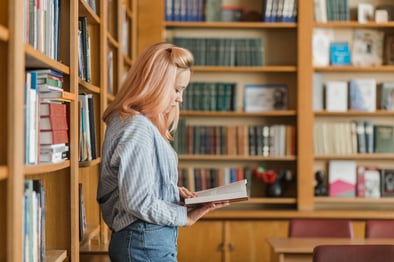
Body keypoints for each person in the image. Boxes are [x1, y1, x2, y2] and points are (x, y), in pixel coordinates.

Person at [97, 42, 229, 262]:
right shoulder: (136, 128)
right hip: (143, 241)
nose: (180, 99)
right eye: (177, 90)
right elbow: (138, 202)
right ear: (156, 84)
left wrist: (170, 192)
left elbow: (132, 188)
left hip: (146, 240)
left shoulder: (135, 123)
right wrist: (183, 217)